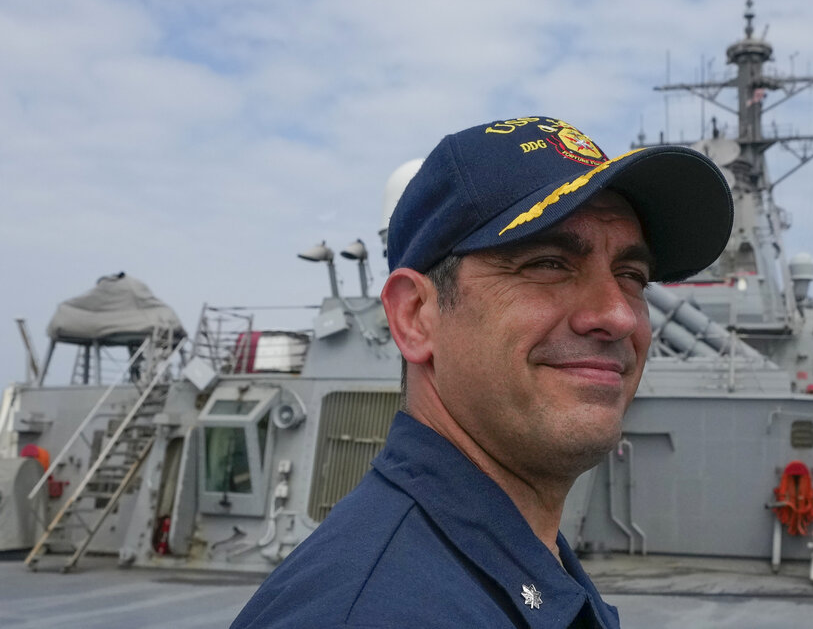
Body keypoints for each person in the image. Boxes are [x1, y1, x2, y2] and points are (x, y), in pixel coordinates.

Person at [231, 116, 733, 628]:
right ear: (415, 317)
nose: (618, 315)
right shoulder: (371, 614)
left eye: (632, 276)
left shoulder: (515, 564)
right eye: (548, 263)